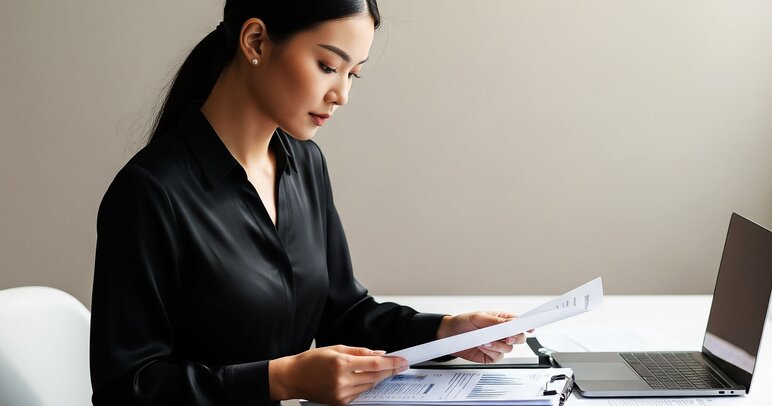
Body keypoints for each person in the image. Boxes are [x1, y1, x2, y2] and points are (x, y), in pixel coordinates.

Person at [90, 1, 527, 405]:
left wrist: (447, 332)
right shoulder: (150, 192)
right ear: (256, 41)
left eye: (352, 74)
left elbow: (343, 312)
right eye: (327, 66)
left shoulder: (304, 162)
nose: (342, 95)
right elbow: (125, 389)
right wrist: (283, 379)